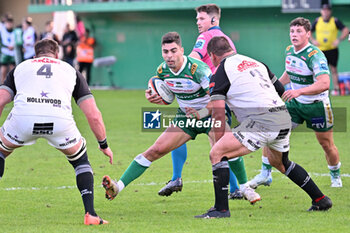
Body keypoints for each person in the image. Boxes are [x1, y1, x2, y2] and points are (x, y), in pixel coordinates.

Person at [102, 32, 258, 207]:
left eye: (173, 51)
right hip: (185, 117)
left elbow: (217, 100)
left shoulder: (199, 70)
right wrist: (152, 97)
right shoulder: (162, 70)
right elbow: (163, 92)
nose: (169, 56)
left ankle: (245, 188)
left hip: (211, 115)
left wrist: (200, 113)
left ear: (182, 50)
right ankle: (118, 187)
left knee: (226, 150)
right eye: (165, 51)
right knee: (155, 150)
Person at [192, 36, 332, 218]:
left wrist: (220, 145)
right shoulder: (256, 62)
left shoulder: (220, 72)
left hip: (261, 121)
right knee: (280, 163)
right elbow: (281, 91)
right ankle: (320, 199)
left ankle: (221, 209)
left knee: (217, 154)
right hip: (282, 116)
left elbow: (218, 114)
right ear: (230, 48)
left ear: (212, 56)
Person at [0, 39, 113, 225]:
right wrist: (103, 144)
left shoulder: (22, 67)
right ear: (57, 55)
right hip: (59, 122)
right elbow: (93, 114)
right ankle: (90, 214)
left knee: (1, 150)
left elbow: (1, 100)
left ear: (35, 56)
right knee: (80, 160)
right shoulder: (69, 69)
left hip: (23, 120)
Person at [158, 3, 255, 202]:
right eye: (197, 19)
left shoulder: (205, 37)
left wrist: (168, 78)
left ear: (213, 20)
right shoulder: (226, 39)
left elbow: (189, 61)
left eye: (201, 19)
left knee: (211, 141)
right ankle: (237, 188)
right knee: (219, 143)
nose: (198, 23)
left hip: (208, 97)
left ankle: (179, 178)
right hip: (224, 94)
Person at [248, 17, 342, 189]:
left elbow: (324, 83)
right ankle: (265, 174)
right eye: (292, 31)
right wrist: (272, 87)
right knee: (270, 130)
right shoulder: (289, 50)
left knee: (326, 144)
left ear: (308, 34)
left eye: (299, 31)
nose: (294, 34)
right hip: (295, 105)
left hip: (317, 106)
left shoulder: (315, 55)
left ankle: (335, 175)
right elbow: (290, 73)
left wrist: (298, 91)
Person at [310, 4, 349, 96]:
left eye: (327, 10)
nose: (325, 12)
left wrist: (339, 40)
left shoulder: (334, 21)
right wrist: (313, 40)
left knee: (333, 69)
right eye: (324, 10)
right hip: (320, 51)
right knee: (319, 70)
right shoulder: (317, 21)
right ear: (321, 11)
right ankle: (319, 89)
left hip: (332, 49)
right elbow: (309, 31)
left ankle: (336, 89)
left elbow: (346, 30)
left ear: (330, 11)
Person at [0, 16, 15, 84]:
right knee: (3, 71)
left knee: (12, 70)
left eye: (10, 23)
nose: (9, 24)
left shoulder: (15, 31)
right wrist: (7, 46)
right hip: (4, 53)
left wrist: (13, 46)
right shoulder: (2, 31)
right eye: (7, 23)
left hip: (12, 53)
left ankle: (12, 85)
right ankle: (2, 85)